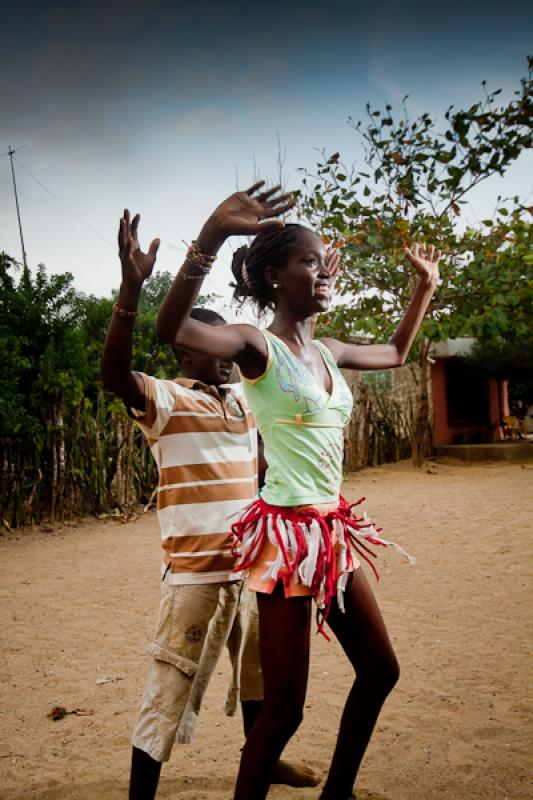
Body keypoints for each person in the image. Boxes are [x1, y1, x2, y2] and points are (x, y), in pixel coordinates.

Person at [155, 183, 442, 800]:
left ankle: (337, 793)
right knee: (285, 712)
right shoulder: (259, 348)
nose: (322, 271)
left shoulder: (330, 352)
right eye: (307, 261)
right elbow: (171, 325)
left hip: (332, 531)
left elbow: (395, 350)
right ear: (273, 277)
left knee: (380, 671)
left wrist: (425, 288)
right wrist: (210, 236)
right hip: (284, 540)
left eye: (321, 261)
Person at [100, 209, 319, 800]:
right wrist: (131, 287)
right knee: (169, 688)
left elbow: (263, 467)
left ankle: (263, 761)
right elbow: (113, 372)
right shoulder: (166, 401)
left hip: (251, 568)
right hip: (195, 574)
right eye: (208, 344)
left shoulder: (245, 404)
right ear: (184, 354)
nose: (224, 356)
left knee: (260, 679)